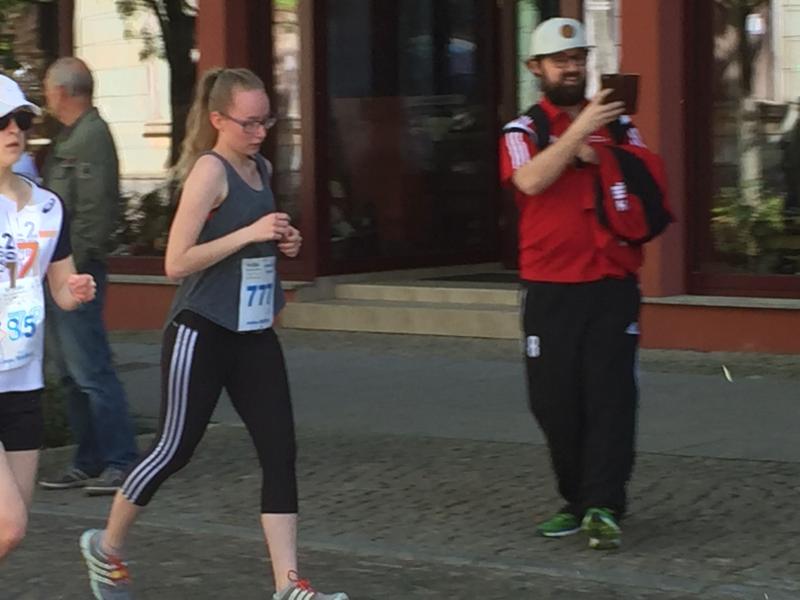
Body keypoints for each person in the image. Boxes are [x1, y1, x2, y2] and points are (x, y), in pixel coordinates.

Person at [79, 68, 348, 600]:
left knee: (280, 450)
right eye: (249, 123)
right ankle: (106, 547)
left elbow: (251, 242)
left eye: (267, 120)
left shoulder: (260, 167)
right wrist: (250, 232)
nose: (260, 132)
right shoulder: (209, 171)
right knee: (174, 449)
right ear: (219, 119)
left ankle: (288, 585)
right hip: (201, 329)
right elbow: (176, 263)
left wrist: (283, 240)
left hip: (252, 331)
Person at [499, 18, 668, 550]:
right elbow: (530, 180)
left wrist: (604, 150)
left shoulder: (620, 126)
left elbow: (648, 176)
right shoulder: (522, 131)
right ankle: (576, 500)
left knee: (611, 397)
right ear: (536, 68)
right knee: (552, 401)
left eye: (578, 58)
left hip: (611, 282)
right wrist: (577, 134)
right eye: (560, 60)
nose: (572, 68)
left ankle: (602, 505)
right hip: (549, 284)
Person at [0, 74, 96, 560]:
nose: (14, 130)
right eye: (2, 122)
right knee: (8, 524)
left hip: (23, 381)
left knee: (12, 529)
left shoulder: (48, 206)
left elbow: (61, 287)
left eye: (22, 120)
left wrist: (76, 291)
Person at [38, 57, 138, 496]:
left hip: (75, 272)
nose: (46, 96)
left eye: (47, 88)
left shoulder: (91, 138)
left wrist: (68, 268)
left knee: (90, 368)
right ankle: (88, 458)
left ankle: (121, 460)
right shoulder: (71, 136)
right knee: (68, 372)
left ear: (62, 91)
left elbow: (94, 214)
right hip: (58, 271)